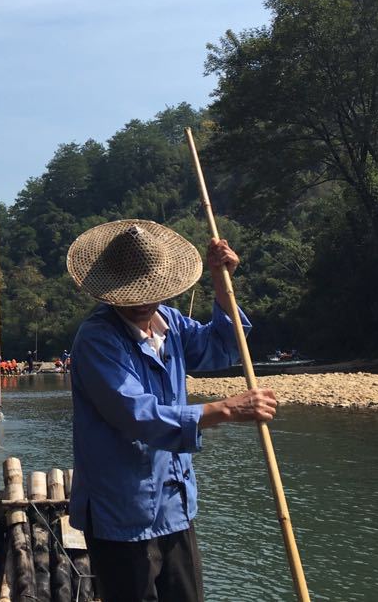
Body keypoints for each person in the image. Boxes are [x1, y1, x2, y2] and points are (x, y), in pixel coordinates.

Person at [66, 219, 278, 602]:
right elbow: (136, 414)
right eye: (129, 294)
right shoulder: (98, 338)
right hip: (122, 512)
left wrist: (220, 281)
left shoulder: (171, 324)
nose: (141, 302)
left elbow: (223, 347)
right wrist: (227, 410)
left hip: (174, 504)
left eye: (147, 292)